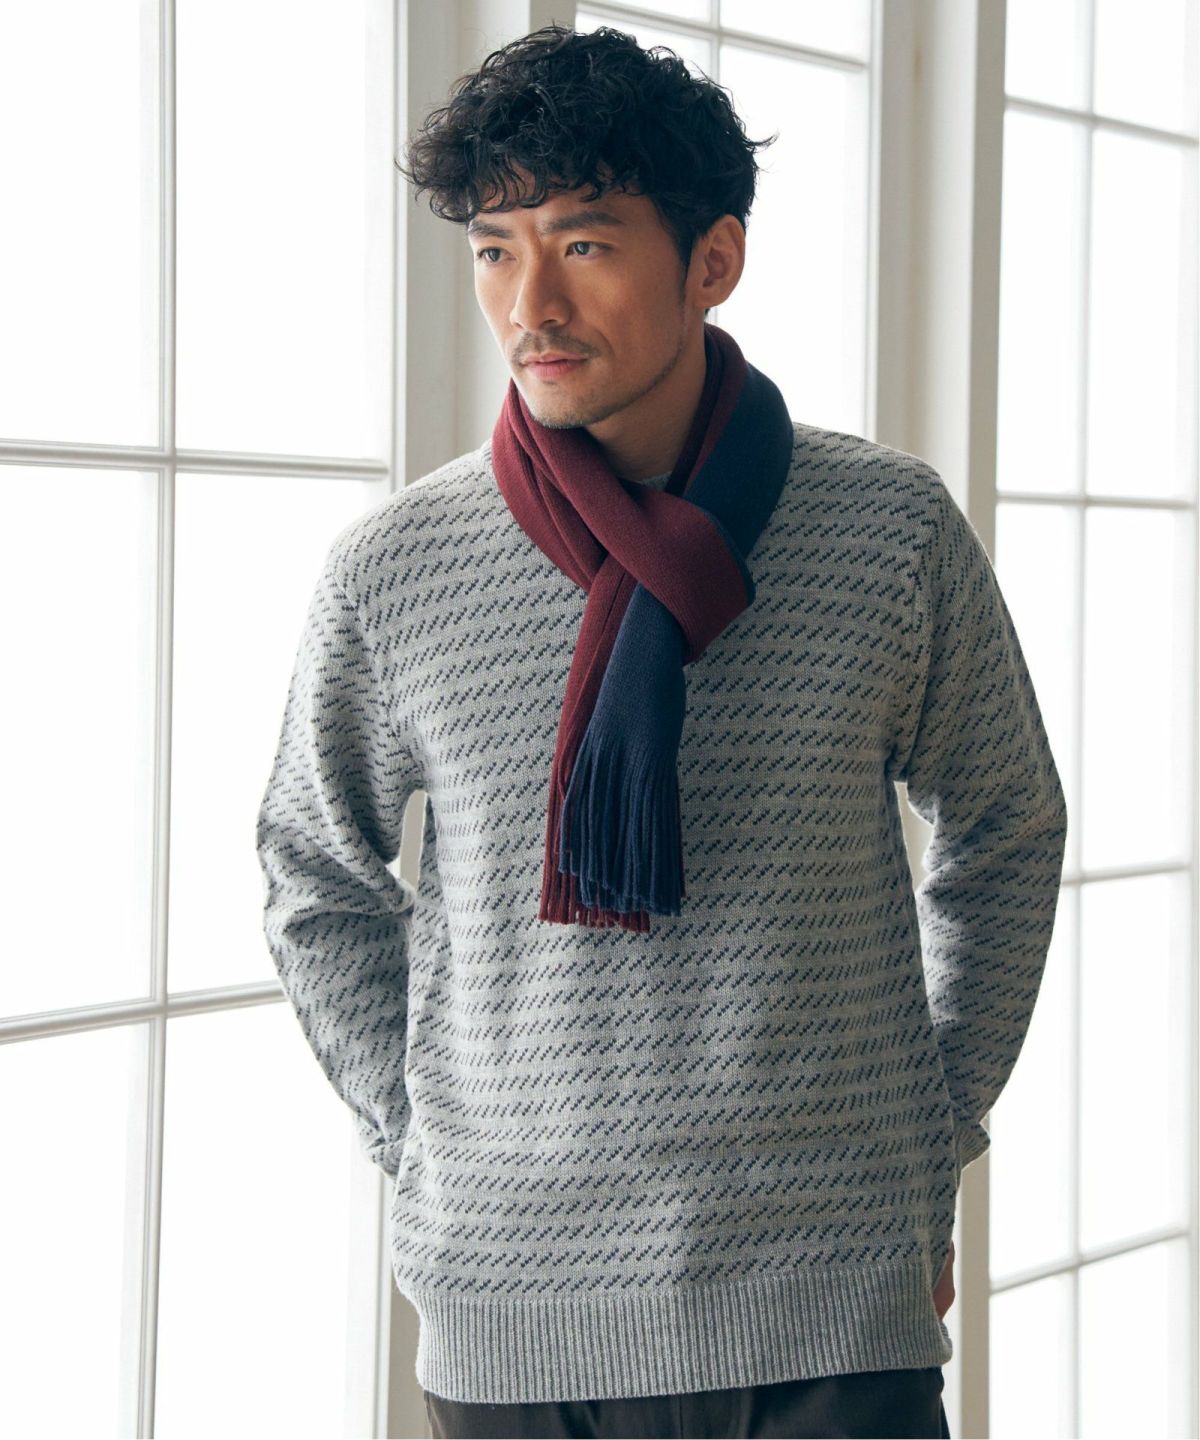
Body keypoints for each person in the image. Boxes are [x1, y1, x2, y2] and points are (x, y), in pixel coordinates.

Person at [255, 22, 1067, 1440]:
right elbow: (313, 870)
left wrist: (934, 1131)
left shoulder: (888, 531)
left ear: (714, 261)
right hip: (516, 1314)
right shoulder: (399, 570)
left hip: (830, 1301)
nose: (531, 304)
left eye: (584, 244)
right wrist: (419, 1139)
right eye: (496, 250)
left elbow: (1008, 825)